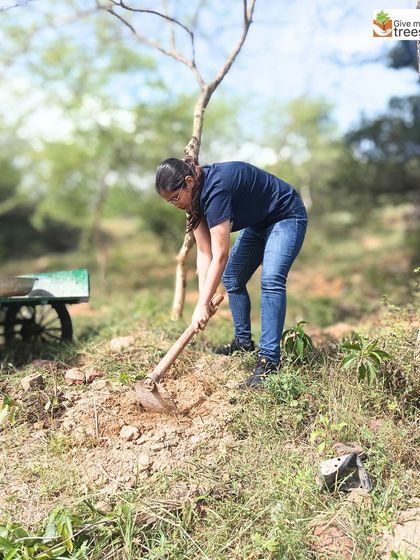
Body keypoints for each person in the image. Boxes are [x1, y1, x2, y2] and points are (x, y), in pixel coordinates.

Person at [155, 157, 308, 388]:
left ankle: (269, 361)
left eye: (175, 197)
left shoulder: (216, 189)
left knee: (271, 280)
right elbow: (205, 253)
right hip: (258, 223)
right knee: (233, 279)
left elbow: (221, 254)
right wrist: (203, 301)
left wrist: (202, 305)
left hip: (285, 215)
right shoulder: (191, 203)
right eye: (169, 201)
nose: (174, 204)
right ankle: (243, 342)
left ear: (188, 181)